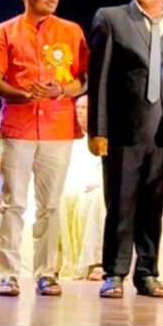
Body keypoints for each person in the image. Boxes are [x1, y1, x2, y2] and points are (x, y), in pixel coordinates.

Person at [88, 0, 163, 298]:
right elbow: (99, 78)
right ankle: (115, 273)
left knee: (153, 205)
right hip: (124, 130)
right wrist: (97, 130)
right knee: (120, 204)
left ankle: (147, 273)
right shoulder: (112, 18)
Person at [0, 0, 88, 297]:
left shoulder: (71, 30)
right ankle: (8, 274)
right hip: (18, 127)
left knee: (50, 205)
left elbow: (84, 79)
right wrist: (19, 94)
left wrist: (61, 91)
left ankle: (46, 273)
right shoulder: (5, 31)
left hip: (58, 128)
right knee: (13, 203)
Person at [57, 95, 107, 280]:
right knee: (61, 196)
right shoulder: (69, 140)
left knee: (98, 198)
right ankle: (59, 262)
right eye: (77, 107)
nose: (79, 111)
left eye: (84, 108)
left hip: (97, 185)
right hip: (73, 184)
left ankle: (98, 262)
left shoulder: (104, 139)